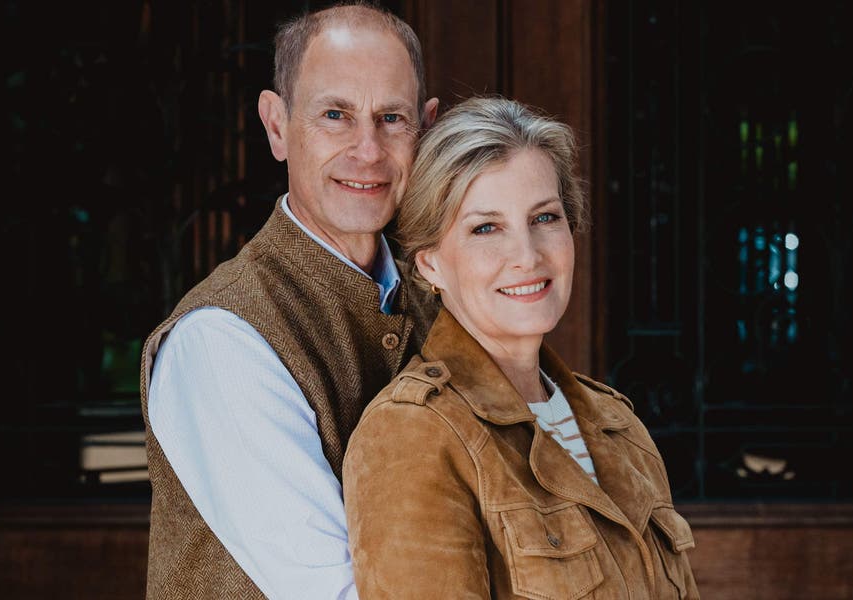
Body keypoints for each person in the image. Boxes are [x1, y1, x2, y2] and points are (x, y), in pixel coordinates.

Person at [343, 96, 700, 599]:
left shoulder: (619, 426)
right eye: (486, 228)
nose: (527, 256)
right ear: (429, 264)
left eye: (545, 218)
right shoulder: (413, 435)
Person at [139, 3, 439, 598]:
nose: (368, 150)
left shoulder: (441, 299)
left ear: (425, 129)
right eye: (335, 114)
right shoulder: (221, 338)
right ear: (277, 126)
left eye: (391, 118)